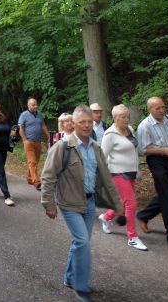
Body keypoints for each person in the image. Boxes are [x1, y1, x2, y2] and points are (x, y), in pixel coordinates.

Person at [41, 105, 122, 302]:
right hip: (69, 203)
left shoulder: (96, 148)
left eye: (89, 122)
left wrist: (117, 205)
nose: (86, 126)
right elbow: (48, 176)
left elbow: (106, 179)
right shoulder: (62, 147)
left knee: (80, 242)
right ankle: (81, 286)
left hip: (89, 203)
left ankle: (70, 277)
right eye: (81, 122)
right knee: (83, 242)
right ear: (73, 124)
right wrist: (49, 204)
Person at [136, 97, 168, 249]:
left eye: (163, 107)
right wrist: (163, 150)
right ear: (150, 109)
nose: (162, 110)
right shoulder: (144, 126)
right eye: (158, 108)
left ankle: (144, 216)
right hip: (157, 162)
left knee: (167, 195)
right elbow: (143, 150)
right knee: (167, 197)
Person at [98, 104, 147, 250]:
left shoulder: (130, 129)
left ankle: (106, 217)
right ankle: (132, 237)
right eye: (123, 117)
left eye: (127, 116)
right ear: (115, 118)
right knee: (131, 204)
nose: (126, 119)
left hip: (131, 172)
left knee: (124, 203)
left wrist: (137, 169)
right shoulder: (109, 135)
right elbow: (102, 157)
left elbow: (133, 151)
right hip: (117, 173)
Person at [18, 98, 50, 190]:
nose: (35, 106)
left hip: (38, 142)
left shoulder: (39, 115)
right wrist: (25, 140)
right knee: (32, 161)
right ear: (28, 105)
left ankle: (29, 178)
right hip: (29, 142)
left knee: (35, 161)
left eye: (36, 104)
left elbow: (43, 125)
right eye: (33, 105)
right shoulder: (24, 115)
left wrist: (48, 136)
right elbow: (21, 128)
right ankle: (36, 182)